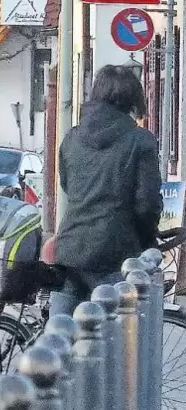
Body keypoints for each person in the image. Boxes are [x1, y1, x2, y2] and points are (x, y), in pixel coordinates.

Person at [49, 64, 163, 316]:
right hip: (115, 254)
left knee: (59, 339)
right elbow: (147, 204)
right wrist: (147, 240)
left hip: (70, 250)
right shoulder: (141, 141)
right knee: (117, 341)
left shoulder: (71, 138)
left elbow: (68, 186)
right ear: (133, 98)